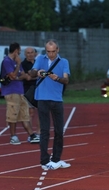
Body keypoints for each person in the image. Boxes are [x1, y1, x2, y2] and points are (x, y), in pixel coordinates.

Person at [29, 39, 71, 170]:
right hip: (42, 99)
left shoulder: (63, 62)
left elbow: (66, 80)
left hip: (57, 99)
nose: (51, 54)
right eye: (48, 51)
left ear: (57, 50)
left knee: (59, 130)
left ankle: (56, 159)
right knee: (45, 131)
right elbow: (31, 73)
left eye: (53, 51)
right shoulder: (40, 58)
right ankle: (44, 160)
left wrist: (56, 78)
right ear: (45, 50)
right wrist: (37, 73)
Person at [0, 42, 40, 145]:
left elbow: (24, 76)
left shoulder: (16, 61)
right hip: (11, 91)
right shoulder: (7, 61)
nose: (20, 52)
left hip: (20, 91)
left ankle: (32, 135)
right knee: (13, 114)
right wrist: (18, 66)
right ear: (16, 50)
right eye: (20, 50)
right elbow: (13, 76)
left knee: (24, 114)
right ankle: (13, 136)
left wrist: (18, 76)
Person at [21, 47, 40, 136]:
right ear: (25, 54)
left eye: (32, 52)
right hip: (28, 91)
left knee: (41, 111)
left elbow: (42, 74)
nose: (30, 54)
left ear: (35, 53)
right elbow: (28, 78)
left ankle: (38, 132)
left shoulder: (38, 63)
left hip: (39, 89)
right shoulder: (23, 64)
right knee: (30, 113)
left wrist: (32, 74)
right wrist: (38, 75)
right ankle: (31, 134)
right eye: (28, 53)